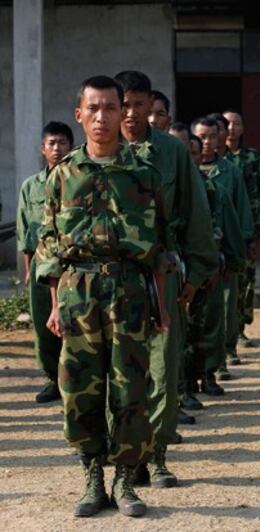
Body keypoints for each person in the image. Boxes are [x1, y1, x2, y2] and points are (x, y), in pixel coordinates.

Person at [37, 75, 171, 518]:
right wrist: (55, 305)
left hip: (130, 290)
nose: (102, 116)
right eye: (92, 108)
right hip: (78, 291)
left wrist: (162, 306)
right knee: (78, 387)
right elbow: (49, 247)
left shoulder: (144, 173)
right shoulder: (62, 176)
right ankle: (93, 474)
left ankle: (127, 479)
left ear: (124, 113)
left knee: (130, 387)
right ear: (80, 114)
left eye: (110, 107)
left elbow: (161, 247)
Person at [115, 70, 218, 488]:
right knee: (120, 371)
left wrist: (197, 270)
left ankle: (156, 455)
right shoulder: (100, 151)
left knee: (163, 367)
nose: (132, 113)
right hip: (113, 277)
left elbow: (195, 212)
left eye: (140, 105)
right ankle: (125, 456)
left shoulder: (172, 153)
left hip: (161, 273)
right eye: (124, 105)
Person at [192, 116, 254, 389]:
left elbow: (240, 213)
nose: (206, 143)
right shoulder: (184, 177)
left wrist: (238, 251)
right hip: (192, 260)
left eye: (211, 137)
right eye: (201, 138)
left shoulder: (229, 172)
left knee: (223, 313)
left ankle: (217, 364)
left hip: (221, 255)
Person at [17, 121, 72, 404]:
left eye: (62, 142)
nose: (57, 148)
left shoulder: (78, 181)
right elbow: (25, 232)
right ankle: (53, 378)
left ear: (71, 146)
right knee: (43, 326)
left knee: (73, 323)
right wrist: (28, 271)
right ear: (42, 148)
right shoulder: (31, 186)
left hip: (71, 266)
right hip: (40, 266)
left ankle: (73, 378)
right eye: (51, 143)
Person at [223, 109, 260, 353]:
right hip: (222, 229)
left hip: (246, 227)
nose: (231, 128)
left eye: (236, 123)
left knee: (246, 281)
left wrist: (257, 230)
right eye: (227, 123)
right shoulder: (214, 160)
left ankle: (240, 327)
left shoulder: (252, 158)